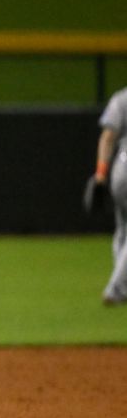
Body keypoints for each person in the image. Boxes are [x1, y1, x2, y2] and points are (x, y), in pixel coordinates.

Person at [91, 87, 127, 306]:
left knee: (122, 230)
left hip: (121, 171)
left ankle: (121, 284)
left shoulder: (121, 98)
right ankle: (116, 288)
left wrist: (101, 175)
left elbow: (107, 137)